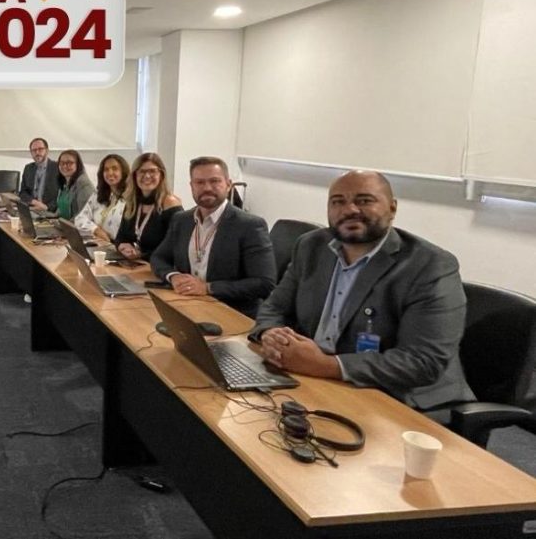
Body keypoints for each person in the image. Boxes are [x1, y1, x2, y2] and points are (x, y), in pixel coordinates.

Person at [251, 170, 475, 410]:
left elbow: (422, 362)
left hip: (400, 398)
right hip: (317, 379)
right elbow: (274, 306)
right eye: (338, 202)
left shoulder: (430, 266)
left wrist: (326, 365)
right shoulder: (311, 246)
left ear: (392, 208)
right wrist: (271, 334)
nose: (350, 210)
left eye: (364, 200)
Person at [150, 157, 276, 318]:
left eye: (214, 181)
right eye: (200, 182)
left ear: (228, 185)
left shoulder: (249, 225)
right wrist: (174, 276)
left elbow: (264, 283)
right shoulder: (182, 220)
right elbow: (158, 257)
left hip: (231, 312)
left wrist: (208, 288)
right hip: (188, 304)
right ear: (191, 186)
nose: (207, 188)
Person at [115, 153, 183, 258]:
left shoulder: (170, 203)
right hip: (136, 262)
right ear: (135, 176)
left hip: (159, 264)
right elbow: (120, 237)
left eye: (152, 171)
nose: (147, 176)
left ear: (161, 175)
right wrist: (122, 246)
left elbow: (175, 247)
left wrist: (141, 255)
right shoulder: (132, 203)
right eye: (142, 171)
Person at [75, 154, 130, 242]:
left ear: (123, 172)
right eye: (106, 169)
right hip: (99, 242)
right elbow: (80, 219)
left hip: (119, 246)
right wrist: (96, 230)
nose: (110, 173)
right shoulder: (97, 195)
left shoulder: (131, 197)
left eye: (115, 169)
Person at [18, 137, 59, 212]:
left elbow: (61, 195)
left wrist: (46, 207)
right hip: (31, 209)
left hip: (50, 211)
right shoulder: (28, 168)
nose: (37, 153)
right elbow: (23, 192)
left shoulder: (57, 168)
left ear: (47, 150)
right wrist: (33, 202)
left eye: (40, 149)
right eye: (34, 150)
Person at [53, 149, 95, 222]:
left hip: (76, 227)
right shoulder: (64, 182)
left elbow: (83, 214)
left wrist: (65, 224)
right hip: (63, 225)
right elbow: (61, 209)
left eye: (69, 163)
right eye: (62, 163)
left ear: (78, 165)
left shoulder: (84, 184)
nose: (65, 166)